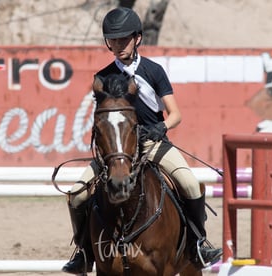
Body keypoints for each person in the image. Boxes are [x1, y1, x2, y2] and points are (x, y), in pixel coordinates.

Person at [62, 7, 222, 274]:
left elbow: (176, 114)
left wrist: (160, 128)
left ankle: (198, 245)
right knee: (77, 194)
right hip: (118, 149)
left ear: (137, 38)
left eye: (124, 39)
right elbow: (103, 119)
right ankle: (83, 252)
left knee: (190, 184)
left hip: (153, 143)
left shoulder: (153, 71)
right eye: (113, 40)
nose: (118, 45)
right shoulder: (103, 77)